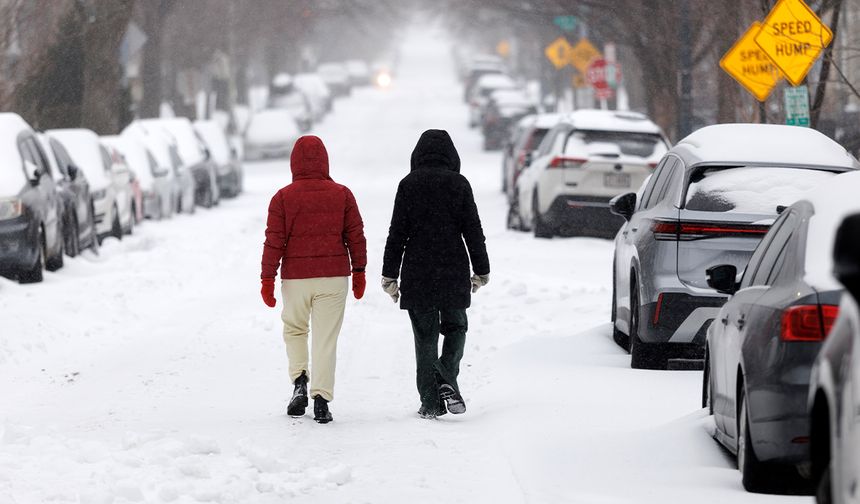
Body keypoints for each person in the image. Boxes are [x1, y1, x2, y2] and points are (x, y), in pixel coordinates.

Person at [382, 129, 490, 419]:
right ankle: (446, 372)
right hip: (452, 267)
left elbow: (397, 233)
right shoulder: (459, 184)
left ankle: (430, 402)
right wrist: (482, 269)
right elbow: (473, 230)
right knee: (456, 326)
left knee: (425, 337)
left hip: (417, 270)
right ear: (451, 156)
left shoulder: (408, 184)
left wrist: (389, 274)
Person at [260, 135, 367, 424]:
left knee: (295, 329)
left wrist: (267, 278)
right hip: (333, 277)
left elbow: (274, 242)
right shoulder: (342, 195)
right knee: (325, 338)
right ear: (325, 162)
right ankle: (321, 399)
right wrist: (359, 271)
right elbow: (356, 236)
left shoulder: (282, 198)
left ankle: (299, 381)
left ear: (294, 163)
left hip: (296, 278)